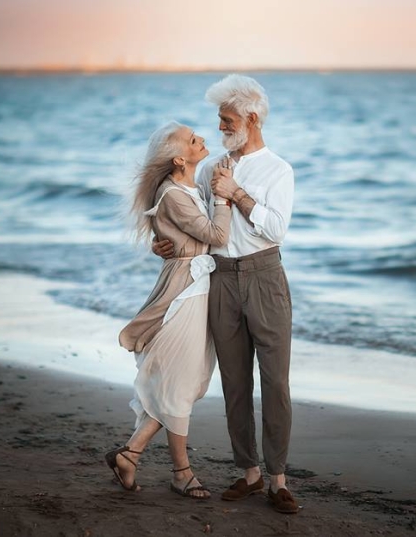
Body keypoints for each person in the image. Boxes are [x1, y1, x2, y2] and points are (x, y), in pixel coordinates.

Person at [153, 74, 298, 514]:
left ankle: (277, 479)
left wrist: (237, 194)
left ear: (251, 119)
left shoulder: (279, 169)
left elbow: (277, 229)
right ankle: (249, 474)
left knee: (275, 383)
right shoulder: (214, 166)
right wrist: (164, 244)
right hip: (220, 278)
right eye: (218, 121)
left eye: (226, 120)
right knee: (235, 382)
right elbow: (194, 223)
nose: (220, 128)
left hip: (265, 277)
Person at [105, 121, 232, 500]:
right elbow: (218, 236)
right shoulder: (174, 194)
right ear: (179, 158)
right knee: (178, 381)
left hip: (196, 287)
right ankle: (181, 472)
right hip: (184, 293)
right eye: (194, 140)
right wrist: (225, 199)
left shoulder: (190, 186)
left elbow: (182, 236)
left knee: (184, 381)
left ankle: (130, 454)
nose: (202, 139)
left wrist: (168, 242)